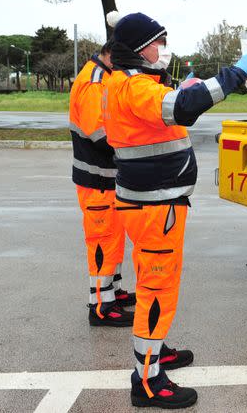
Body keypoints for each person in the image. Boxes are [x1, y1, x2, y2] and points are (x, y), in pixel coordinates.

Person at [103, 11, 247, 408]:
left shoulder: (127, 84)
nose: (163, 50)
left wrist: (186, 88)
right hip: (155, 207)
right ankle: (148, 381)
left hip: (150, 204)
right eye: (158, 42)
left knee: (151, 285)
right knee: (158, 291)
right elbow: (184, 106)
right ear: (140, 49)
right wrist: (235, 73)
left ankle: (155, 355)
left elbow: (170, 110)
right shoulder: (135, 87)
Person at [69, 42, 135, 328]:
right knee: (101, 240)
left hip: (106, 177)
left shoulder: (104, 76)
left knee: (113, 238)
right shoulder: (93, 82)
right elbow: (100, 134)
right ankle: (100, 306)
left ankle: (112, 292)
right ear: (110, 55)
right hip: (96, 178)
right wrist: (132, 149)